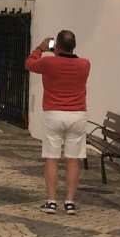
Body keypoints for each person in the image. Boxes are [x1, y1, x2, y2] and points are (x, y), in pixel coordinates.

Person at [25, 30, 91, 215]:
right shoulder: (85, 64)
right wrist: (58, 53)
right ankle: (69, 202)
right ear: (74, 45)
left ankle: (51, 201)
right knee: (73, 159)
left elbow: (29, 64)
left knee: (52, 158)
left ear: (58, 45)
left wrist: (40, 48)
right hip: (77, 114)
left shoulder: (48, 62)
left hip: (53, 113)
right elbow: (67, 65)